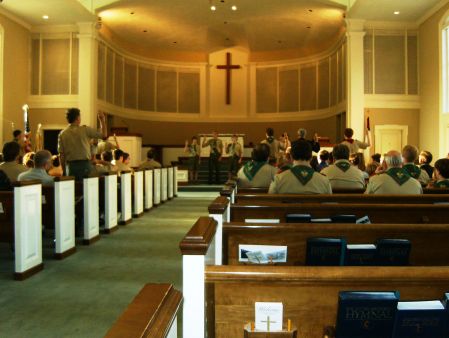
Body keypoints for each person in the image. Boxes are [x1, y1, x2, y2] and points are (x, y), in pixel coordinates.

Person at [58, 108, 106, 181]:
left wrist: (64, 171)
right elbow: (104, 135)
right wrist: (102, 120)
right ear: (78, 118)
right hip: (85, 166)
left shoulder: (62, 134)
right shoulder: (85, 130)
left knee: (73, 190)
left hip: (70, 168)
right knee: (87, 190)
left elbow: (62, 155)